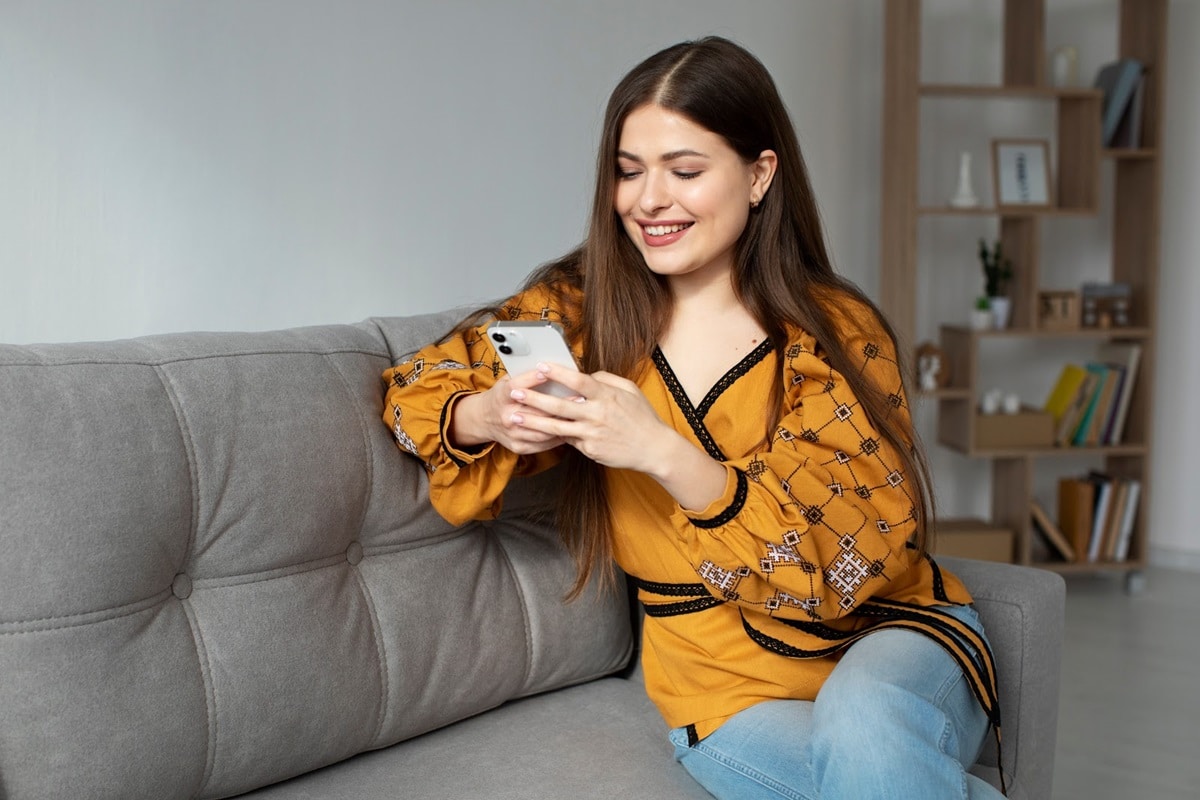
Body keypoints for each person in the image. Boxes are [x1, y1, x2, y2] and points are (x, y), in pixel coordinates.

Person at [382, 36, 1004, 800]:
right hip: (722, 691)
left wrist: (657, 450)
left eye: (684, 171)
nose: (649, 200)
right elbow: (420, 383)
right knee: (878, 771)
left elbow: (851, 548)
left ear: (758, 175)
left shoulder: (833, 331)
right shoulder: (581, 311)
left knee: (865, 723)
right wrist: (489, 414)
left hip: (889, 640)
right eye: (629, 171)